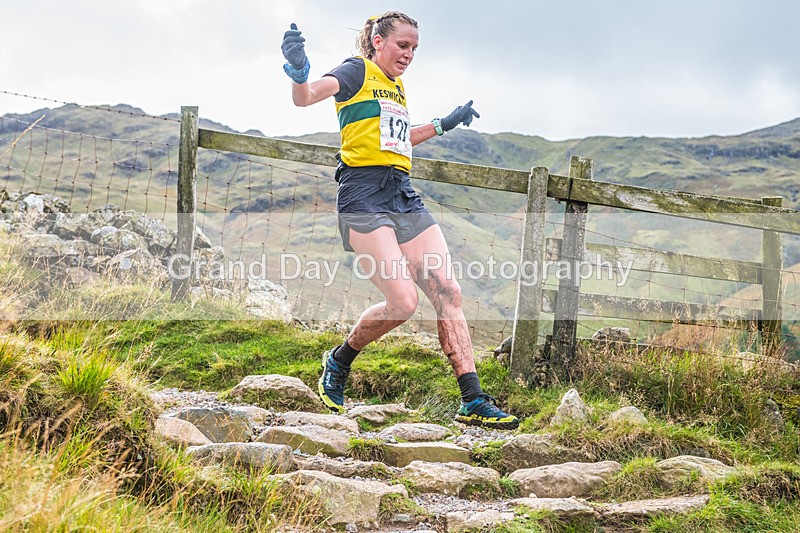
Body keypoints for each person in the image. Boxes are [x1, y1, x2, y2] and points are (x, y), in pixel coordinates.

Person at [280, 12, 518, 430]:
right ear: (377, 41)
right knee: (404, 304)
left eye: (414, 49)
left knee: (448, 290)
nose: (408, 54)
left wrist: (443, 124)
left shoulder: (396, 86)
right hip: (363, 195)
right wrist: (300, 71)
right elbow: (306, 97)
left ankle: (473, 399)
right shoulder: (356, 71)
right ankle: (339, 360)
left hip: (401, 192)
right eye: (402, 45)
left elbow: (399, 139)